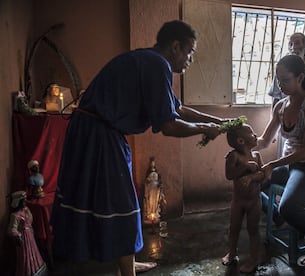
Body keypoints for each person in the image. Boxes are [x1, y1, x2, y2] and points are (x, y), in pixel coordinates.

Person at [50, 20, 229, 276]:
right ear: (176, 47)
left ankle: (127, 263)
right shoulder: (158, 65)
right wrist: (204, 129)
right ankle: (127, 271)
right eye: (190, 51)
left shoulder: (148, 60)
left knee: (118, 201)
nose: (190, 59)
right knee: (124, 203)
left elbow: (176, 108)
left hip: (96, 131)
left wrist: (217, 121)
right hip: (98, 135)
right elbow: (168, 125)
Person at [257, 54, 305, 267]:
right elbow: (264, 140)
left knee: (288, 205)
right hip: (292, 165)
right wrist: (239, 137)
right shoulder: (280, 106)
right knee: (249, 183)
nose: (281, 85)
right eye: (278, 80)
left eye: (286, 80)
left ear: (300, 78)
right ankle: (281, 218)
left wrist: (272, 165)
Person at [221, 123, 265, 273]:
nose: (255, 135)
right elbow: (229, 175)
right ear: (241, 141)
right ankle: (232, 253)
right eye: (252, 133)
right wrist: (245, 167)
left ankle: (253, 259)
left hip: (254, 201)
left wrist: (252, 177)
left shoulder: (257, 155)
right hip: (238, 202)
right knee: (234, 228)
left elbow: (262, 175)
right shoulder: (234, 156)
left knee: (253, 229)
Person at [268, 32, 305, 106]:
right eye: (290, 44)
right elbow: (276, 96)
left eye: (297, 43)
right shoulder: (282, 68)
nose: (293, 47)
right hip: (287, 109)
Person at [7, 191, 48, 276]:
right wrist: (19, 235)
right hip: (23, 239)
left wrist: (29, 228)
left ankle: (36, 269)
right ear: (18, 202)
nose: (25, 203)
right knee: (25, 255)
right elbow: (11, 230)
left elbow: (30, 219)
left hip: (30, 235)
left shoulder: (26, 210)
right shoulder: (15, 215)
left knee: (34, 252)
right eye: (23, 201)